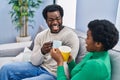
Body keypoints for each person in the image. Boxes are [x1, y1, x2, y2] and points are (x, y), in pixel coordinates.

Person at [0, 4, 82, 80]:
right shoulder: (41, 36)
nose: (55, 22)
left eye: (58, 19)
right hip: (39, 67)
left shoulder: (71, 36)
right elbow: (34, 62)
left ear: (62, 18)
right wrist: (42, 51)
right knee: (6, 69)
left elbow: (70, 65)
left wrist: (59, 55)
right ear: (46, 21)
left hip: (53, 74)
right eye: (51, 20)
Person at [50, 19, 119, 80]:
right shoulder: (95, 53)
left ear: (98, 44)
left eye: (88, 37)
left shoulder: (96, 65)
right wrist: (70, 61)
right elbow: (79, 74)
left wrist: (59, 63)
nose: (85, 40)